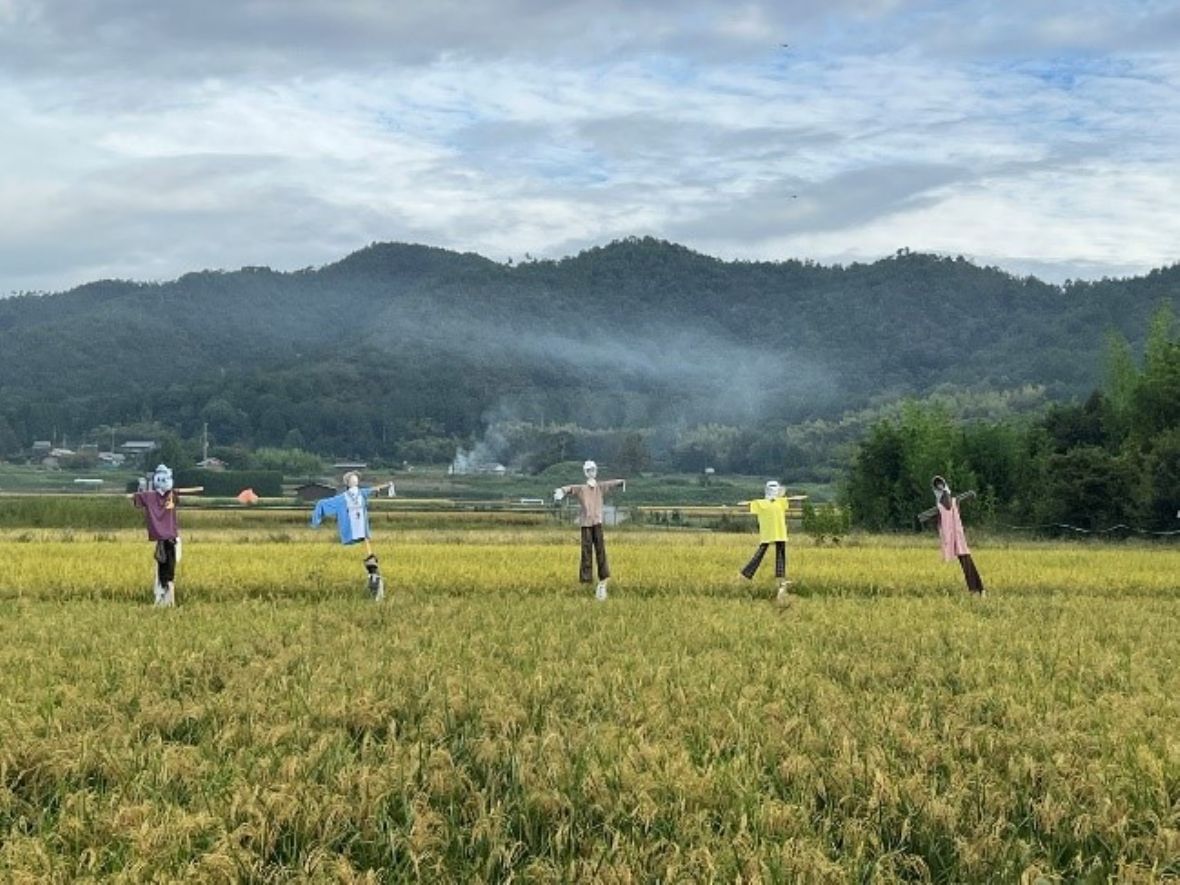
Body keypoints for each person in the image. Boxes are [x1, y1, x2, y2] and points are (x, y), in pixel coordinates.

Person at [310, 471, 395, 600]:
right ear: (348, 483)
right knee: (367, 550)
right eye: (352, 480)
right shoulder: (344, 498)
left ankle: (373, 575)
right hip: (353, 527)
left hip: (361, 526)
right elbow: (326, 503)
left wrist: (386, 486)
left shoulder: (361, 493)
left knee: (367, 547)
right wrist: (319, 510)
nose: (355, 481)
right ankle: (373, 575)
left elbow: (373, 490)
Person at [129, 464, 203, 606]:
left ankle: (166, 600)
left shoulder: (161, 496)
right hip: (167, 539)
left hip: (169, 539)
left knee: (165, 571)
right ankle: (165, 601)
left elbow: (136, 499)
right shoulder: (160, 496)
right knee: (165, 571)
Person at [554, 460, 625, 600]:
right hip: (586, 524)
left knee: (600, 551)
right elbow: (570, 489)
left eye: (593, 470)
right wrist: (562, 491)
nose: (591, 472)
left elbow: (610, 484)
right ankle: (586, 581)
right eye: (589, 470)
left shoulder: (599, 487)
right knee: (586, 551)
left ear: (596, 471)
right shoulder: (582, 489)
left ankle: (603, 578)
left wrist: (620, 482)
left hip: (597, 523)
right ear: (585, 472)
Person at [738, 480, 806, 602]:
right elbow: (795, 500)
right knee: (773, 555)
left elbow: (743, 505)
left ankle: (752, 574)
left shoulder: (763, 503)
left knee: (764, 554)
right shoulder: (772, 503)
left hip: (770, 532)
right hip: (777, 532)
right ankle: (777, 576)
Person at [917, 475, 985, 596]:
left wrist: (970, 493)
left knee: (967, 561)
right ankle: (976, 589)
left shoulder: (953, 500)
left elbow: (960, 498)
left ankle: (978, 589)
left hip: (958, 537)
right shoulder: (940, 506)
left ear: (944, 485)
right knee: (966, 562)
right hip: (951, 538)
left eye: (941, 483)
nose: (940, 486)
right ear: (936, 489)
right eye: (937, 484)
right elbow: (926, 516)